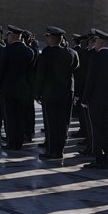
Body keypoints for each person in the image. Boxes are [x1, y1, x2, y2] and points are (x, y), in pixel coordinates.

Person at [33, 26, 79, 160]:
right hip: (67, 92)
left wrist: (37, 92)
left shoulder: (46, 53)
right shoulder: (71, 52)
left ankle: (52, 150)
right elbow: (76, 67)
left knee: (52, 123)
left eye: (47, 36)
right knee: (64, 122)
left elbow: (40, 74)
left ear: (52, 38)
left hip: (50, 92)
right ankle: (60, 149)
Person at [81, 29, 108, 169]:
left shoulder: (96, 57)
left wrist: (84, 98)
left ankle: (98, 158)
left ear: (99, 42)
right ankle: (107, 157)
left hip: (96, 99)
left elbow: (90, 79)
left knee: (97, 129)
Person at [0, 25, 36, 151]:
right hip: (23, 89)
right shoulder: (30, 51)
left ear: (12, 36)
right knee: (20, 117)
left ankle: (12, 142)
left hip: (8, 88)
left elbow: (0, 70)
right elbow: (31, 72)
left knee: (10, 117)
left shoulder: (7, 50)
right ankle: (19, 141)